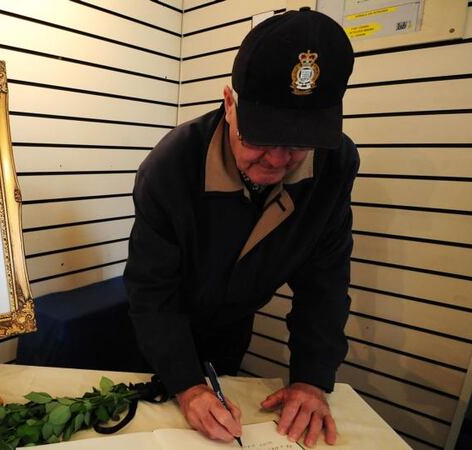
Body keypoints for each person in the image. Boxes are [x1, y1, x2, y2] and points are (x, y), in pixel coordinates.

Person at [124, 8, 358, 448]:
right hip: (160, 327)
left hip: (233, 325)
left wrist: (311, 379)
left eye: (298, 141)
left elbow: (325, 283)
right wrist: (187, 386)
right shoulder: (169, 167)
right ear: (230, 104)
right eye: (261, 137)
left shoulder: (336, 163)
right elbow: (151, 290)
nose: (276, 160)